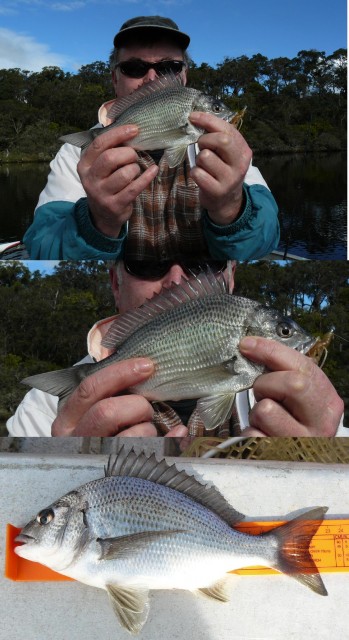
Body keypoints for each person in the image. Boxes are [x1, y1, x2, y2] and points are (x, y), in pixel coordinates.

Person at [22, 16, 279, 261]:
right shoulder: (75, 153)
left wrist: (231, 207)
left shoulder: (222, 145)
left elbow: (266, 235)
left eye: (169, 67)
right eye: (134, 68)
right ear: (115, 78)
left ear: (184, 75)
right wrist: (98, 222)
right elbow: (42, 244)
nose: (152, 78)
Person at [7, 260, 345, 438]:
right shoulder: (45, 410)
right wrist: (66, 463)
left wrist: (320, 453)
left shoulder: (309, 402)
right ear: (115, 283)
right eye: (147, 264)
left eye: (202, 262)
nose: (176, 281)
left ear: (229, 278)